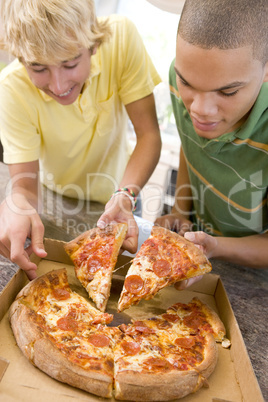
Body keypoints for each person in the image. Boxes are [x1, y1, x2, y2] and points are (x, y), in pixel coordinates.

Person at [0, 0, 162, 280]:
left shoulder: (121, 38)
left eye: (71, 64)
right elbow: (25, 187)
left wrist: (125, 195)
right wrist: (16, 204)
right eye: (38, 69)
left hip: (124, 189)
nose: (59, 85)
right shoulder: (10, 88)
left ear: (93, 45)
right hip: (55, 198)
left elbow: (148, 135)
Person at [156, 0, 268, 280]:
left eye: (227, 92)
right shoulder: (180, 74)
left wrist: (215, 247)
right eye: (187, 84)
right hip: (198, 250)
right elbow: (189, 144)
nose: (199, 110)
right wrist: (180, 211)